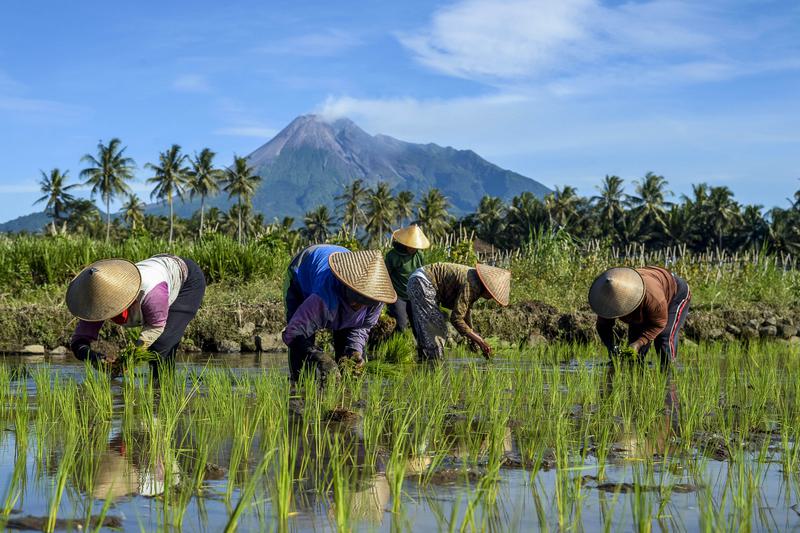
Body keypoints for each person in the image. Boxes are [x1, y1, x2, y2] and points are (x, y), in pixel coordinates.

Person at [66, 254, 206, 379]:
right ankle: (161, 387)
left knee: (161, 345)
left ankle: (161, 391)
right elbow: (79, 341)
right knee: (160, 347)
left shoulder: (152, 292)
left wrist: (129, 359)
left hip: (186, 282)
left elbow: (155, 327)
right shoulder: (98, 296)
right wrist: (94, 358)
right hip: (159, 269)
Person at [283, 245, 397, 383]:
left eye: (363, 303)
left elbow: (362, 327)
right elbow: (292, 333)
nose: (357, 306)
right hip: (302, 271)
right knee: (302, 368)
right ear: (347, 287)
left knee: (348, 366)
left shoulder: (377, 299)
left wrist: (354, 350)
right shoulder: (325, 296)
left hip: (340, 273)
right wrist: (319, 356)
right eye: (355, 300)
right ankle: (298, 397)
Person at [589, 266, 691, 368]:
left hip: (675, 293)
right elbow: (603, 327)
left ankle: (669, 371)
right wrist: (611, 347)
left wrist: (639, 343)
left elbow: (659, 324)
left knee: (664, 336)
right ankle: (635, 374)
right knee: (634, 357)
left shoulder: (653, 298)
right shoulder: (608, 301)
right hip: (650, 290)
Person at [407, 262, 511, 361]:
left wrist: (474, 339)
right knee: (436, 330)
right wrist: (480, 341)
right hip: (422, 282)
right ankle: (433, 366)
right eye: (492, 295)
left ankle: (425, 364)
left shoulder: (475, 280)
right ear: (488, 288)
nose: (491, 298)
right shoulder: (472, 284)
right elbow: (456, 318)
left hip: (419, 280)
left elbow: (464, 312)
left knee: (429, 331)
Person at [384, 225, 429, 332]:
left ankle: (421, 347)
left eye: (415, 247)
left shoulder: (419, 256)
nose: (413, 249)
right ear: (405, 244)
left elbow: (421, 274)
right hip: (398, 295)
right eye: (411, 246)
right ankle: (394, 344)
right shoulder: (393, 256)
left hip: (413, 294)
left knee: (418, 324)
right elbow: (386, 275)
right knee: (401, 325)